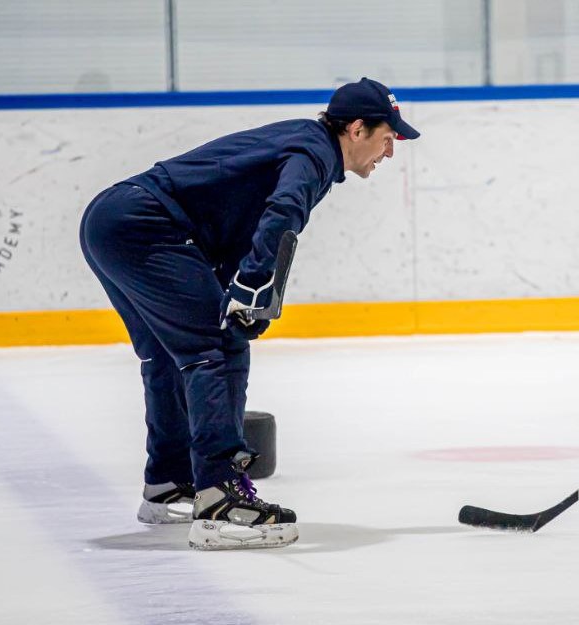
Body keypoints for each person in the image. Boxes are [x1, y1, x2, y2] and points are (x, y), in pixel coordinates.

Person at [79, 77, 420, 550]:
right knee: (217, 344)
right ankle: (219, 500)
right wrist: (254, 285)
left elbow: (241, 218)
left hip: (113, 220)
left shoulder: (305, 142)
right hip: (143, 226)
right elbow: (282, 212)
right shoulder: (315, 153)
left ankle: (168, 484)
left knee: (167, 353)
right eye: (388, 138)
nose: (390, 151)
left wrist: (243, 283)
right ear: (357, 129)